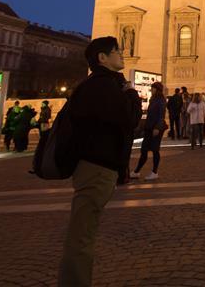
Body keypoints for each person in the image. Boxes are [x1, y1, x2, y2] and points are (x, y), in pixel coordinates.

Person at [58, 36, 136, 287]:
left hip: (97, 166)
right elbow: (128, 119)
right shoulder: (102, 86)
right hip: (95, 166)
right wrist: (131, 93)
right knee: (82, 234)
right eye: (117, 51)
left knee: (85, 231)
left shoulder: (97, 85)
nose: (122, 54)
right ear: (103, 58)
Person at [131, 83, 166, 180]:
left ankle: (154, 172)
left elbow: (161, 115)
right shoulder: (153, 99)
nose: (151, 90)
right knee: (144, 150)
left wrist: (157, 128)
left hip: (156, 128)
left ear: (157, 89)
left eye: (152, 88)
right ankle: (136, 171)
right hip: (149, 128)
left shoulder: (161, 100)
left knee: (155, 150)